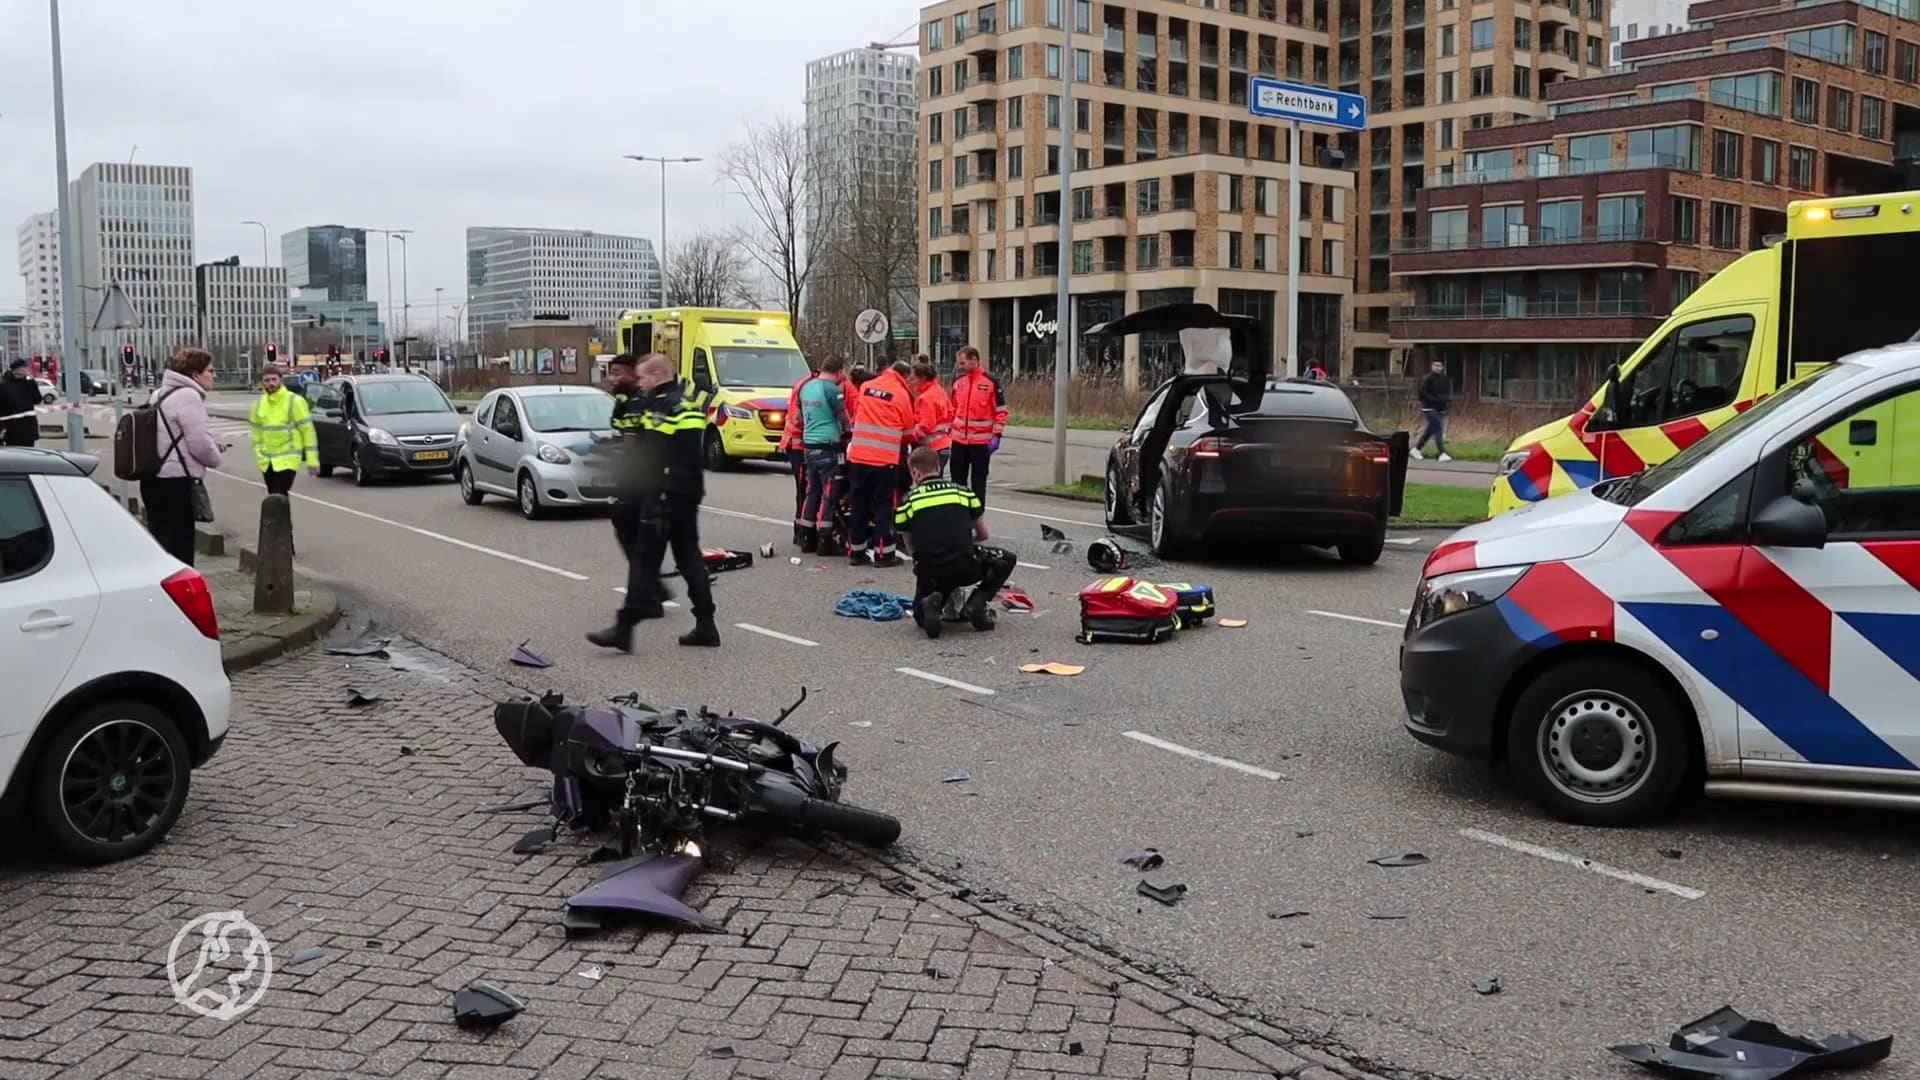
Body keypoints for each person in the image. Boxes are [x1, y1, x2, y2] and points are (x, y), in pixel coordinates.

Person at [588, 353, 720, 651]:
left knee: (645, 561)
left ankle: (624, 627)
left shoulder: (662, 407)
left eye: (645, 377)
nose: (641, 383)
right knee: (689, 558)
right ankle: (706, 625)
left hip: (663, 492)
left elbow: (654, 453)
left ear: (658, 376)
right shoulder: (686, 402)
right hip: (688, 491)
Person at [895, 446, 1017, 640]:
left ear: (916, 473)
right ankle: (977, 603)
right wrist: (963, 541)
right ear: (939, 468)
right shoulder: (963, 493)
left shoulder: (907, 502)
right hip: (965, 566)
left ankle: (933, 603)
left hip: (931, 572)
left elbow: (911, 549)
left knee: (921, 616)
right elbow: (984, 534)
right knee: (1007, 559)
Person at [143, 348, 224, 566]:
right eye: (210, 370)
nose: (213, 375)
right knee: (179, 550)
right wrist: (215, 456)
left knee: (161, 544)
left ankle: (160, 592)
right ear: (195, 374)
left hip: (153, 478)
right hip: (176, 483)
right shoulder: (189, 396)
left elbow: (168, 437)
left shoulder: (159, 394)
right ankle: (178, 597)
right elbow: (199, 444)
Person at [844, 360, 913, 567]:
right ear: (904, 376)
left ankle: (856, 552)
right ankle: (884, 554)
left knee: (859, 506)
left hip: (858, 457)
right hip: (885, 461)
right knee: (883, 507)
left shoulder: (866, 387)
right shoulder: (901, 394)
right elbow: (908, 430)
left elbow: (856, 417)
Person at [796, 355, 851, 553]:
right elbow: (843, 417)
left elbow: (799, 416)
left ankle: (806, 536)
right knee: (829, 493)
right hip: (828, 445)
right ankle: (825, 539)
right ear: (838, 372)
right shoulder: (832, 390)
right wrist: (848, 432)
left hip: (809, 445)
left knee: (812, 491)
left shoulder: (806, 387)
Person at [248, 363, 319, 507]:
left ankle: (279, 528)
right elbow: (257, 433)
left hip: (288, 459)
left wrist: (312, 460)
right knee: (275, 498)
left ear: (281, 380)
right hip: (267, 461)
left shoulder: (295, 401)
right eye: (267, 380)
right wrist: (259, 453)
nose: (271, 383)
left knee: (278, 497)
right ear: (262, 383)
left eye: (274, 379)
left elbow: (308, 431)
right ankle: (281, 528)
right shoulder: (258, 405)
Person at [948, 345, 1007, 506]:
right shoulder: (958, 382)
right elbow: (953, 409)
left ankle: (977, 518)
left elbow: (1001, 411)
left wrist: (997, 435)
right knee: (957, 483)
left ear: (974, 360)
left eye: (962, 363)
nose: (960, 367)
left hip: (981, 444)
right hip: (959, 441)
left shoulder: (991, 382)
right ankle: (959, 516)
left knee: (978, 483)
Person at [779, 362, 819, 546]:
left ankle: (801, 531)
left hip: (796, 443)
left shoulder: (804, 384)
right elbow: (801, 418)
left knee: (803, 491)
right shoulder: (812, 388)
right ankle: (802, 533)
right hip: (800, 444)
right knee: (806, 490)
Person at [909, 357, 954, 475]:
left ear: (922, 378)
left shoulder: (926, 398)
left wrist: (910, 437)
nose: (912, 381)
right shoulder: (939, 391)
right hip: (944, 444)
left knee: (928, 481)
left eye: (914, 378)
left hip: (932, 447)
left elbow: (926, 425)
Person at [1413, 358, 1453, 462]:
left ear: (1442, 367)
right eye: (1435, 365)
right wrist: (1435, 400)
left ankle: (1416, 449)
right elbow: (1422, 394)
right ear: (1432, 366)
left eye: (1439, 366)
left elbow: (1446, 393)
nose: (1438, 368)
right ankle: (1442, 453)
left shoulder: (1444, 379)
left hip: (1440, 408)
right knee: (1438, 428)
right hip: (1429, 407)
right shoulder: (1427, 378)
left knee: (1430, 431)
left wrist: (1446, 401)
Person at [0, 359, 41, 447]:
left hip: (28, 429)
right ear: (16, 370)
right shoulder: (4, 385)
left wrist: (31, 381)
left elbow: (37, 399)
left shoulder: (28, 383)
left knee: (29, 454)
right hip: (11, 429)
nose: (26, 370)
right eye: (24, 368)